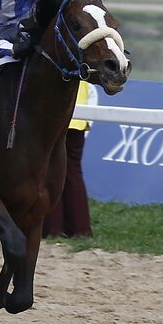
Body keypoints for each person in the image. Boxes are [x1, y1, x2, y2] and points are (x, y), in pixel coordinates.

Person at [41, 79, 93, 238]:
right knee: (73, 172)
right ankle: (80, 228)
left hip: (57, 115)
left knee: (51, 171)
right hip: (78, 116)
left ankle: (53, 228)